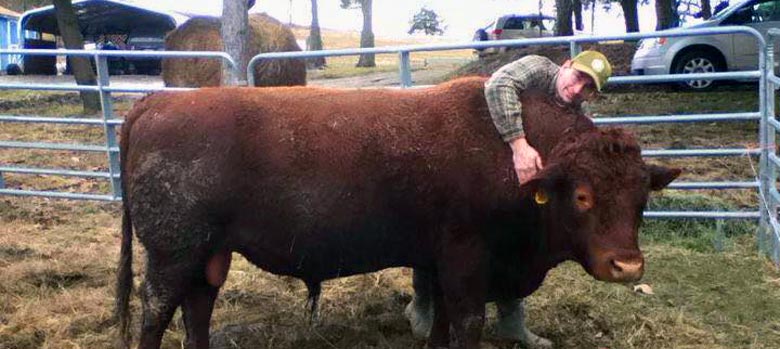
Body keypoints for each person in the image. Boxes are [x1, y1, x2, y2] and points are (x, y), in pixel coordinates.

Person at [405, 50, 612, 349]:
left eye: (589, 88)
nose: (578, 89)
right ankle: (421, 305)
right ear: (566, 66)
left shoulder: (576, 115)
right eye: (578, 77)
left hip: (520, 183)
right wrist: (519, 145)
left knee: (517, 243)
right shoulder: (538, 69)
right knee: (450, 231)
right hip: (477, 159)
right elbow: (499, 84)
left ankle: (512, 323)